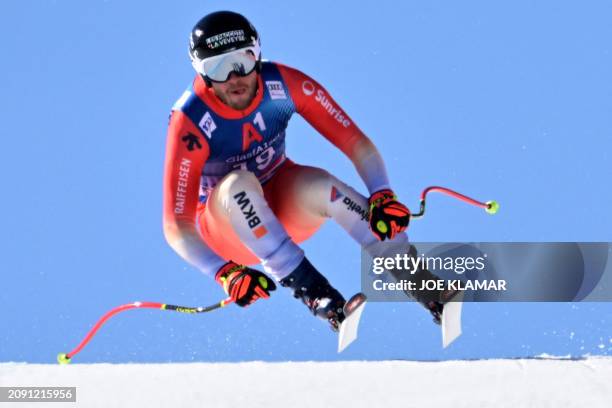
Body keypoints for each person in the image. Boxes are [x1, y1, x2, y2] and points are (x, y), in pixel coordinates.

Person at [163, 11, 447, 331]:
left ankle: (429, 289)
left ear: (258, 53)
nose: (234, 77)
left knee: (322, 186)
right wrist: (223, 271)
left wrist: (382, 192)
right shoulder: (190, 119)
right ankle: (318, 296)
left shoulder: (283, 84)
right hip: (228, 231)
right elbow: (176, 227)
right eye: (217, 68)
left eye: (243, 60)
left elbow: (355, 142)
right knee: (238, 186)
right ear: (200, 73)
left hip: (283, 206)